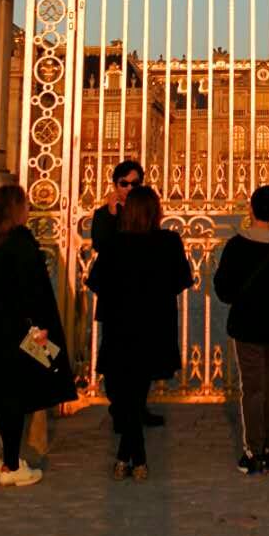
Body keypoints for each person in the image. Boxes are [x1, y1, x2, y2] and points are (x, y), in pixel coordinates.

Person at [0, 183, 76, 487]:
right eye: (25, 204)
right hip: (17, 328)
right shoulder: (21, 242)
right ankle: (12, 464)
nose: (29, 209)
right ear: (16, 210)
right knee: (12, 396)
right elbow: (35, 290)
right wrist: (42, 327)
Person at [94, 185, 193, 480]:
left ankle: (130, 457)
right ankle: (134, 457)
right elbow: (181, 280)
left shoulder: (115, 244)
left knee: (128, 392)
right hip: (154, 325)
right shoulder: (168, 242)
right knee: (136, 392)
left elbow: (97, 282)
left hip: (121, 325)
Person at [213, 185, 269, 476]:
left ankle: (254, 450)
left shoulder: (237, 246)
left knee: (253, 389)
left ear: (251, 208)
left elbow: (223, 289)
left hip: (248, 325)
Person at [88, 159, 164, 429]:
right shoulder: (103, 215)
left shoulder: (145, 212)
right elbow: (101, 245)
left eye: (135, 184)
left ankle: (138, 407)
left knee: (142, 356)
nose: (129, 188)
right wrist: (111, 214)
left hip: (142, 297)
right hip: (115, 297)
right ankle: (119, 408)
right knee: (114, 355)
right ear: (115, 184)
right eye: (124, 183)